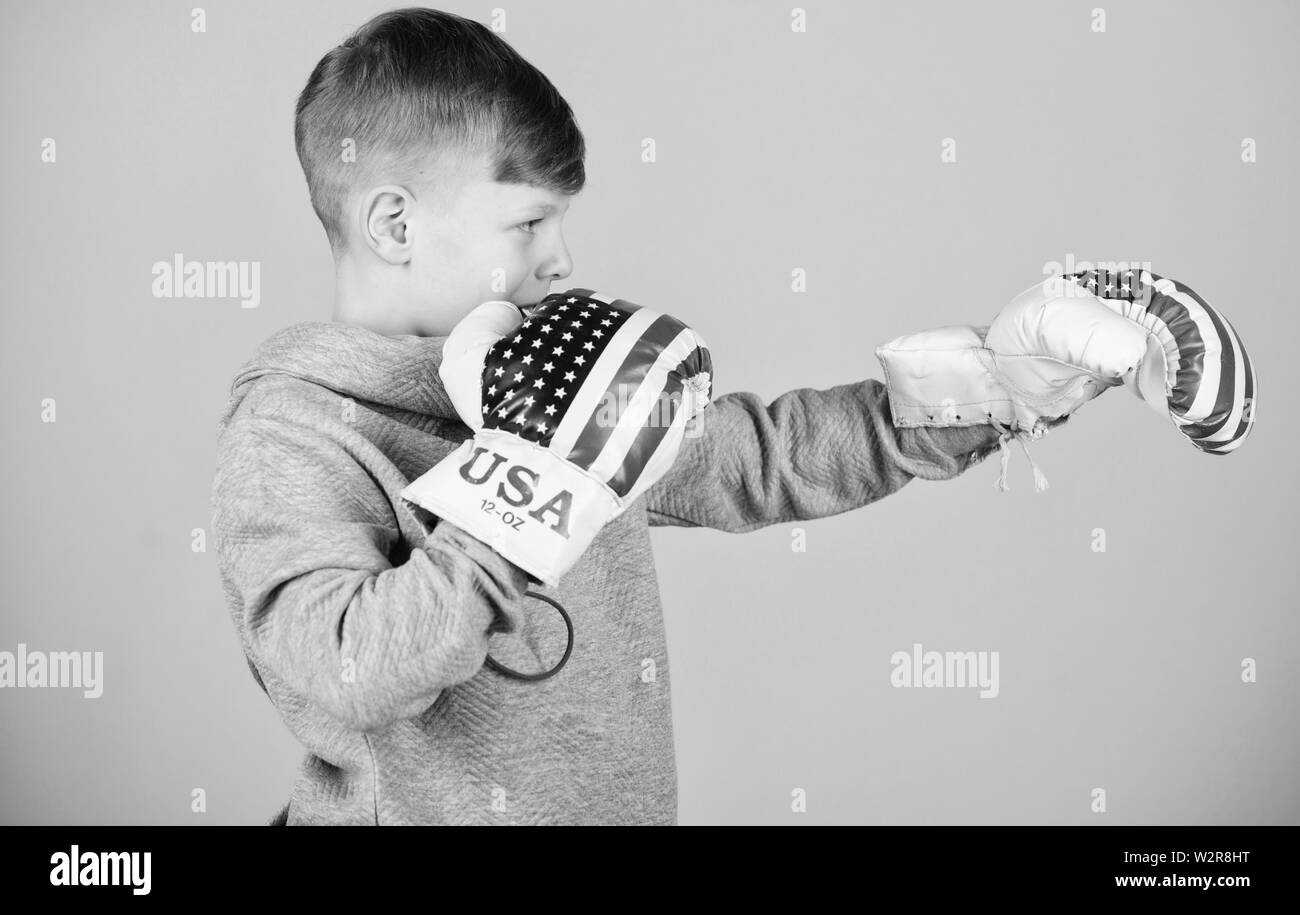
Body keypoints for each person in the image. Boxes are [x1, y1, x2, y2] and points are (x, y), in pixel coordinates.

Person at [210, 7, 1012, 826]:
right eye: (528, 222)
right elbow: (349, 667)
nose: (562, 260)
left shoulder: (553, 374)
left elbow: (769, 458)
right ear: (395, 225)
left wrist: (993, 386)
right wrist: (520, 483)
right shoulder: (294, 434)